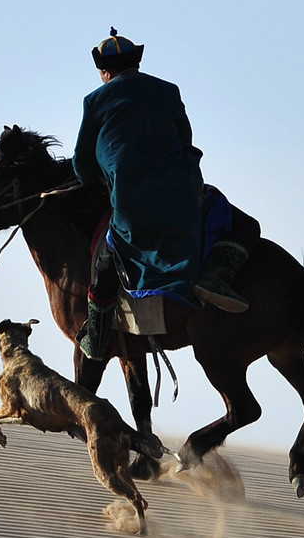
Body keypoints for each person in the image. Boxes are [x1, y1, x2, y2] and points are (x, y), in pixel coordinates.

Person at [72, 29, 250, 361]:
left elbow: (82, 165)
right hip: (185, 195)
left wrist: (101, 178)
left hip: (132, 204)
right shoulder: (168, 90)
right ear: (136, 63)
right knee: (245, 225)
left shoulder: (94, 101)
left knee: (106, 263)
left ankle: (96, 338)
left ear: (104, 71)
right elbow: (185, 139)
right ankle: (215, 276)